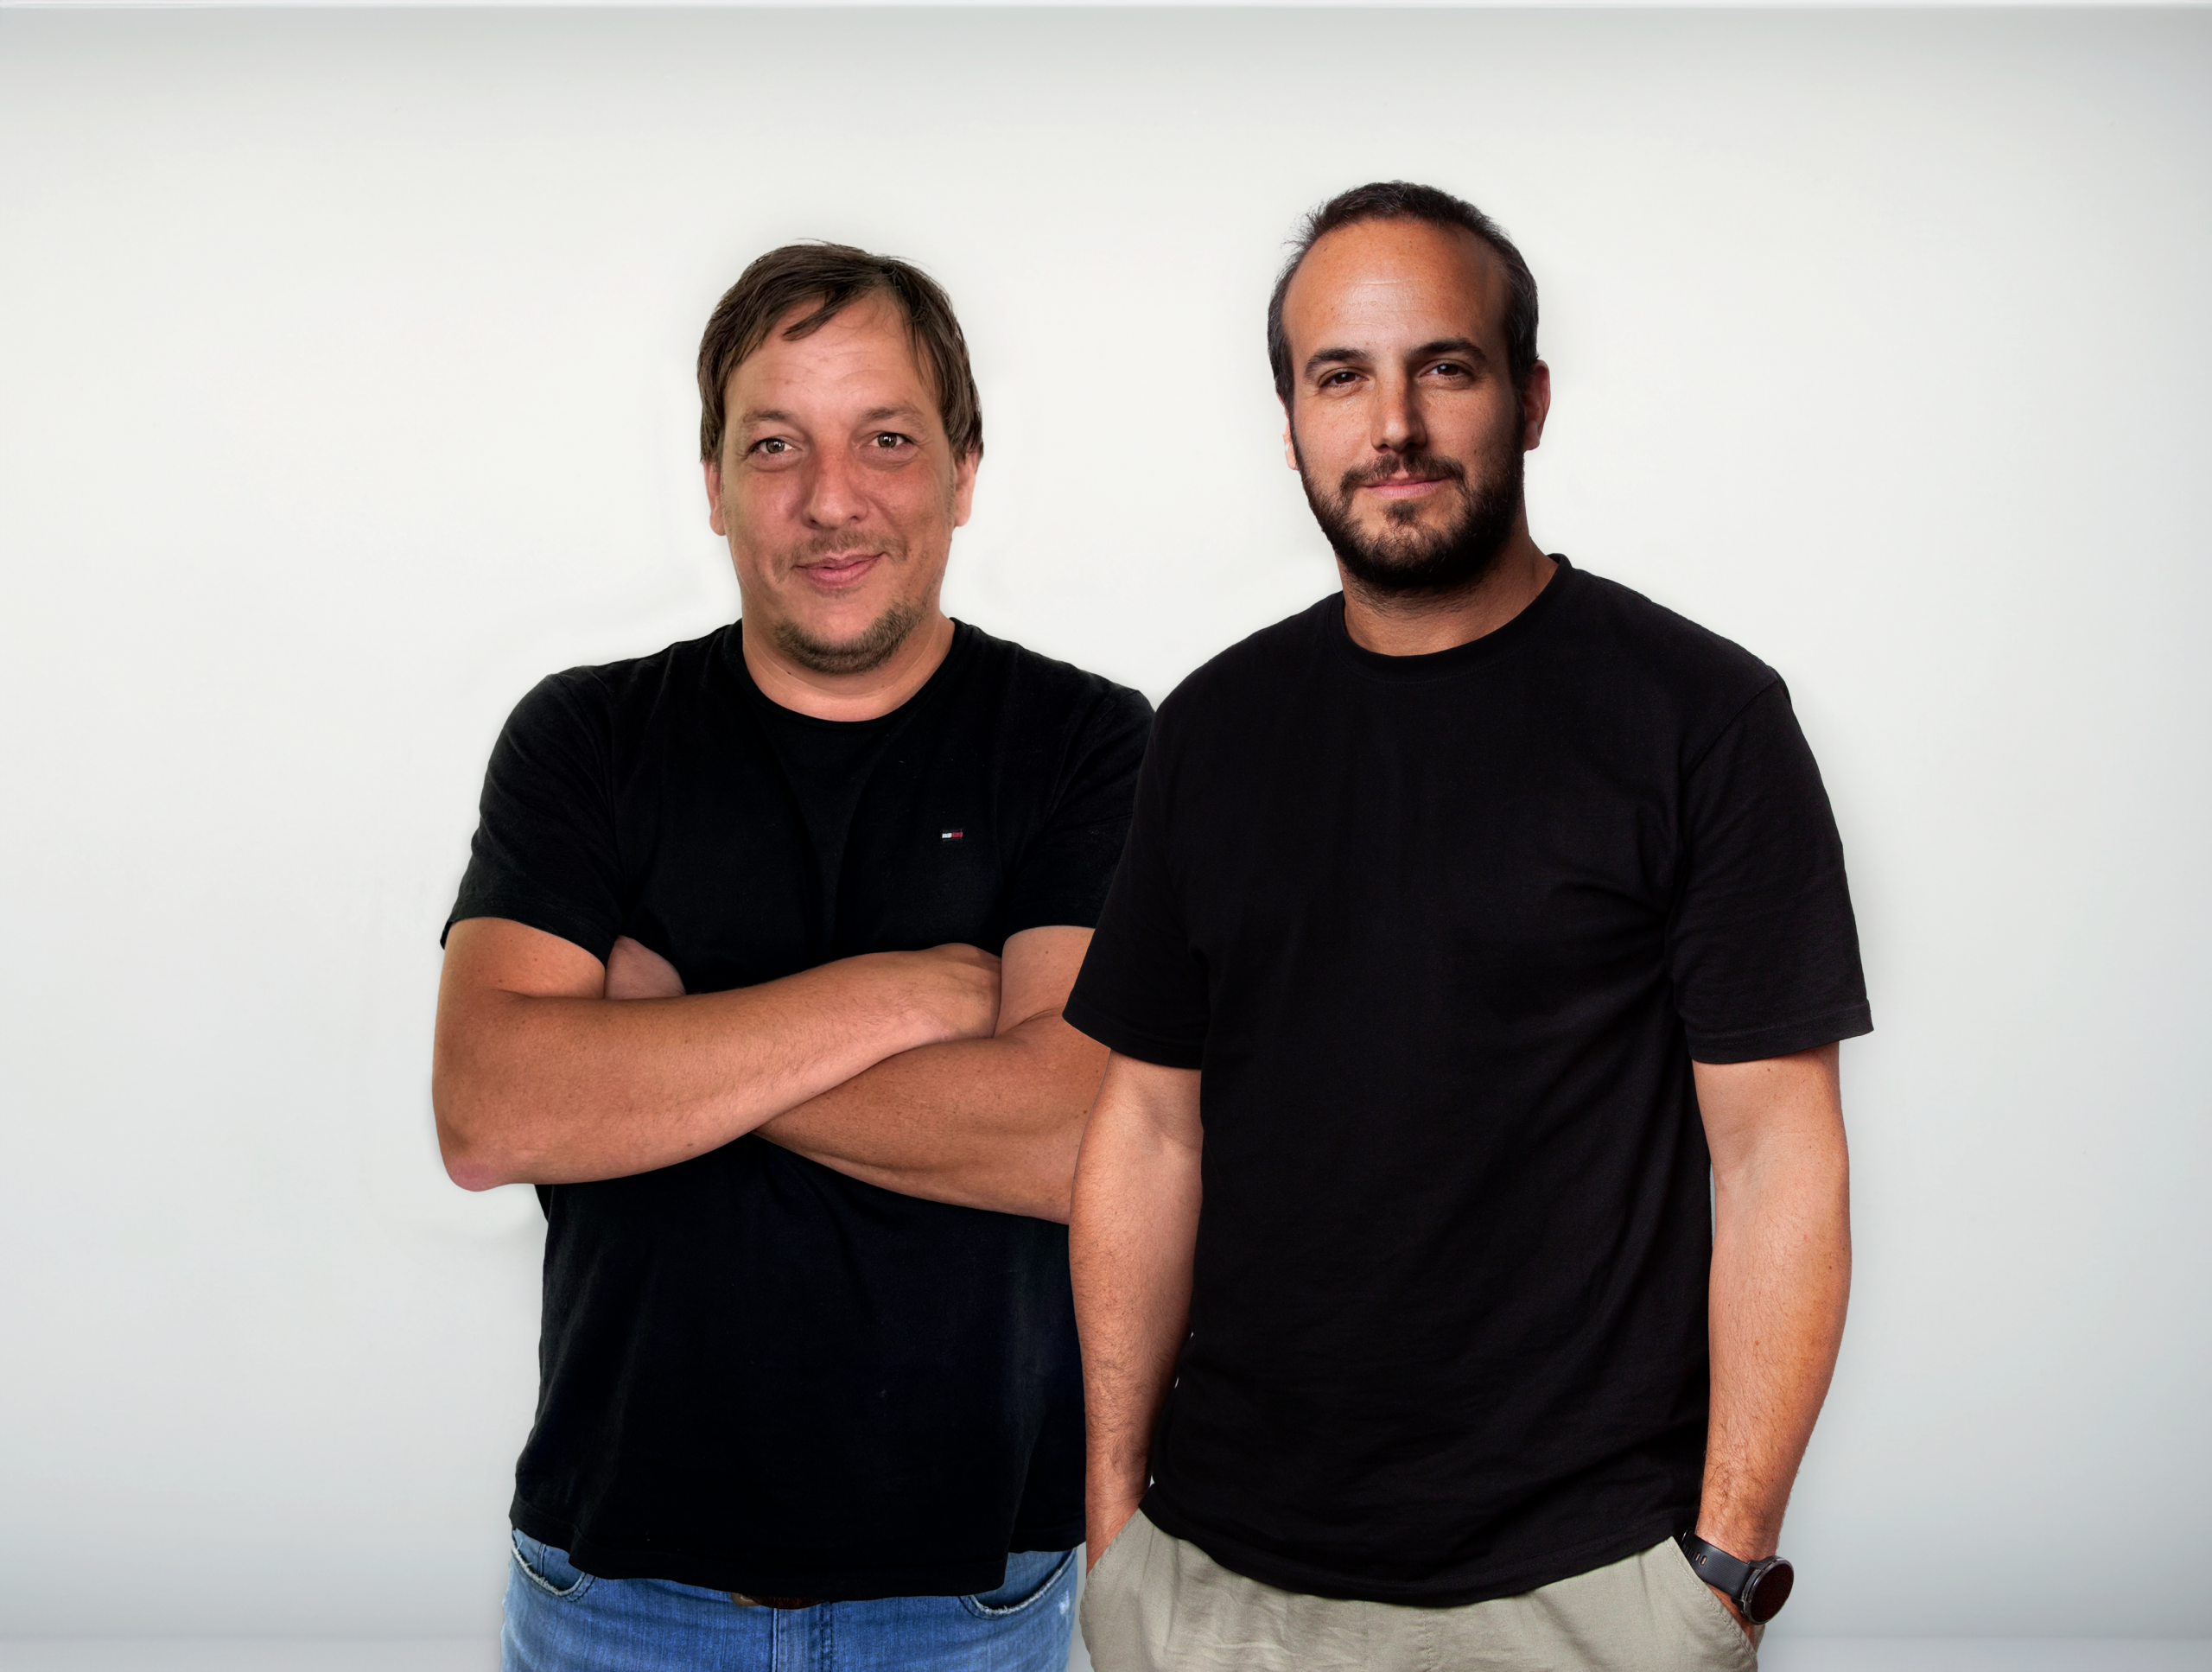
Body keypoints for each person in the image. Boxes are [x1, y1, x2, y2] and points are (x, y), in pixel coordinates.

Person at [1065, 181, 1871, 1672]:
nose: (1395, 425)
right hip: (1217, 1583)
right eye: (1340, 377)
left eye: (1445, 366)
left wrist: (1721, 1566)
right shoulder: (1213, 730)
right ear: (1290, 420)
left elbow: (1778, 1156)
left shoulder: (1702, 720)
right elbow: (1150, 1128)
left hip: (1584, 1590)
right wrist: (1114, 1524)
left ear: (1531, 398)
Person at [431, 241, 1151, 1671]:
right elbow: (492, 1109)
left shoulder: (1088, 745)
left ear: (963, 471)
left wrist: (665, 1042)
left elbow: (1080, 1137)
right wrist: (905, 995)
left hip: (966, 1597)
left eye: (886, 438)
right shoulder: (586, 740)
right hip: (614, 1587)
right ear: (710, 481)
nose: (831, 498)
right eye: (775, 445)